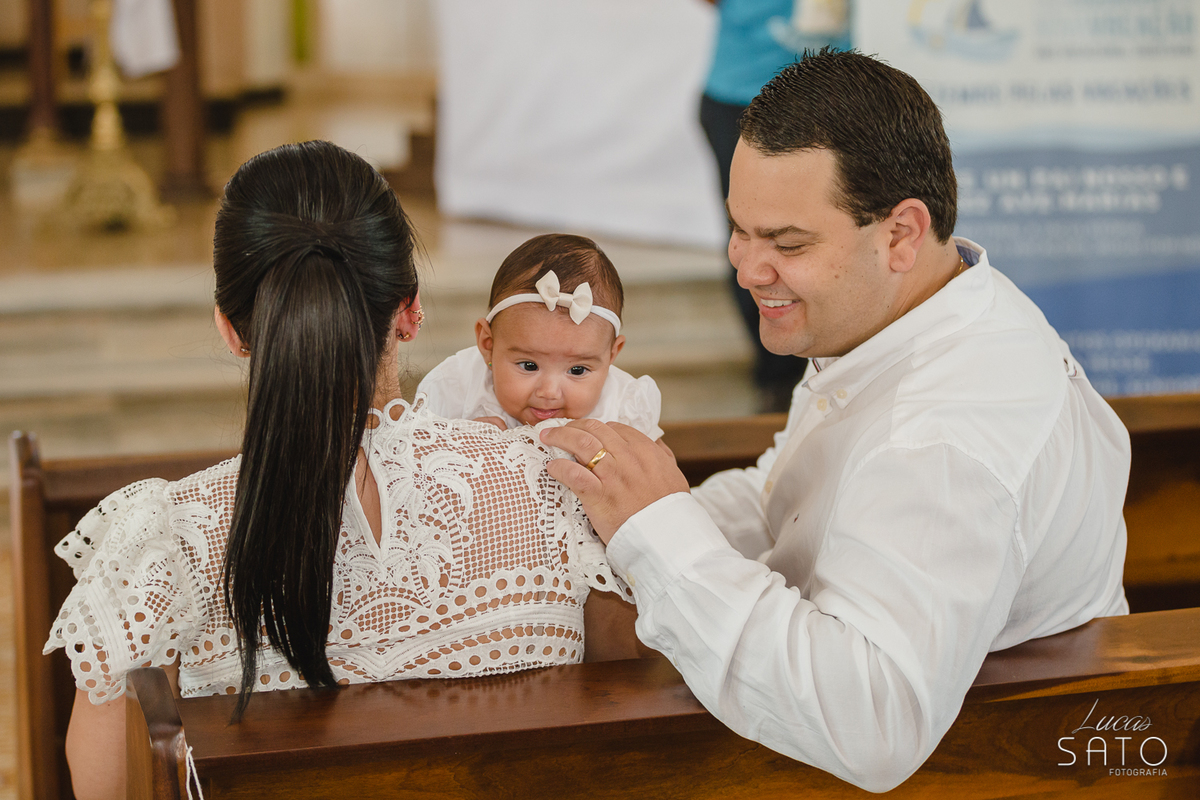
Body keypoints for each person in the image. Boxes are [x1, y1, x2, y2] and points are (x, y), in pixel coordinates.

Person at [542, 49, 1129, 792]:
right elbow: (798, 502)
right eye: (739, 230)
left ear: (902, 234)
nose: (747, 269)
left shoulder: (945, 432)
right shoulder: (911, 311)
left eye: (787, 244)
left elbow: (873, 721)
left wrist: (660, 532)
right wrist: (626, 514)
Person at [43, 141, 638, 800]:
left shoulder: (157, 547)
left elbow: (109, 790)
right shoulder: (568, 489)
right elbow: (634, 740)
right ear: (410, 313)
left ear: (233, 330)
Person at [699, 0, 852, 411]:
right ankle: (778, 377)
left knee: (836, 235)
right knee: (757, 240)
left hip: (836, 91)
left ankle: (829, 365)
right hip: (741, 91)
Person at [418, 233, 663, 439]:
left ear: (611, 354)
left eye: (577, 370)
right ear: (488, 345)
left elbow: (664, 480)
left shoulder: (624, 408)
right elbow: (411, 468)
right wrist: (456, 446)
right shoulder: (455, 389)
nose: (549, 392)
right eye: (529, 365)